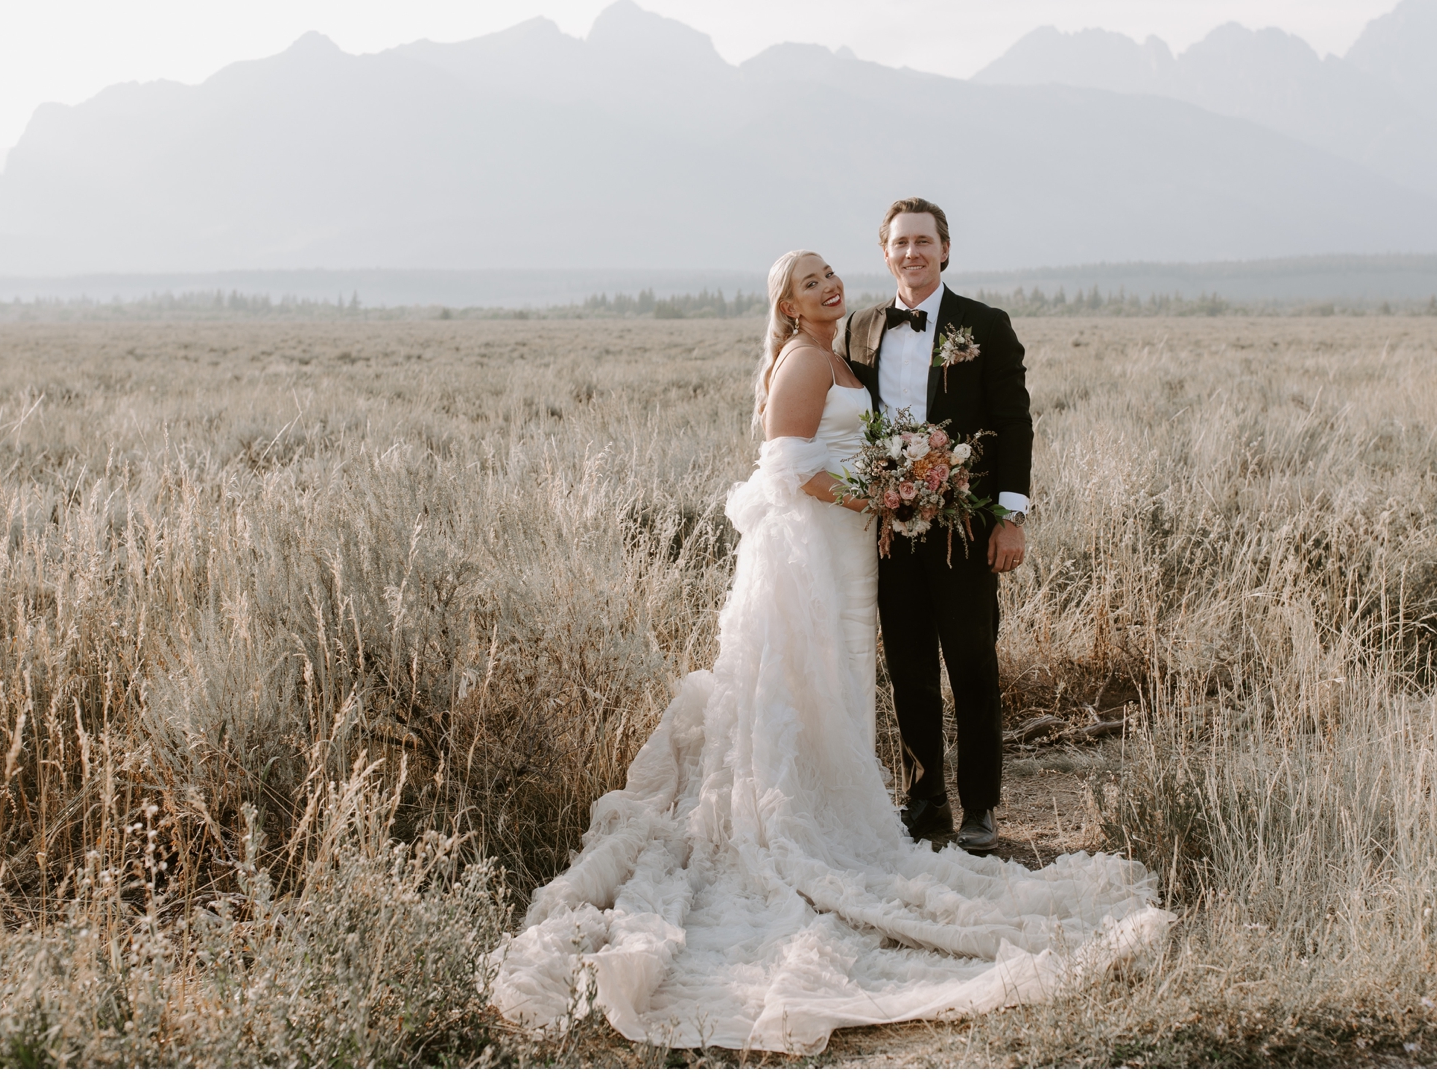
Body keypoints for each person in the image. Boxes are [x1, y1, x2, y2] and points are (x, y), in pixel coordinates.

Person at [487, 249, 1167, 1055]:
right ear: (788, 304)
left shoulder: (846, 353)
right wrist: (881, 495)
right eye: (810, 282)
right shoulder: (806, 362)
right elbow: (787, 466)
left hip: (851, 546)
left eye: (830, 275)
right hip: (811, 546)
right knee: (806, 677)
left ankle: (871, 806)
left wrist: (895, 491)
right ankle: (812, 821)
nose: (829, 286)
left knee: (843, 677)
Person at [836, 198, 1028, 855]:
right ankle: (925, 802)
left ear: (945, 250)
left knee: (972, 664)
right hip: (889, 530)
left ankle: (980, 807)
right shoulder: (859, 327)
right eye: (900, 242)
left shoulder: (986, 325)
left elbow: (1015, 425)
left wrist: (1010, 517)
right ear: (885, 252)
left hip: (964, 529)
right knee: (908, 667)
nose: (911, 252)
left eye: (923, 241)